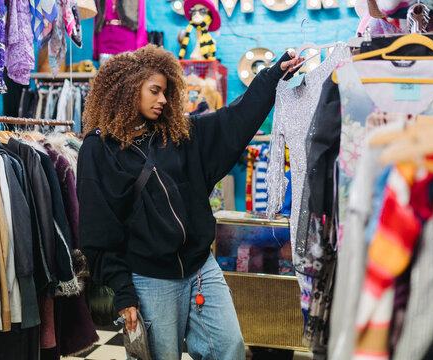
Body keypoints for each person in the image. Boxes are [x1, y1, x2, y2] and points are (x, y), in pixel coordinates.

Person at [77, 44, 303, 360]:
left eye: (166, 91)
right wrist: (124, 292)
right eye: (155, 91)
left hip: (200, 268)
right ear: (128, 90)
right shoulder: (99, 149)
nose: (163, 100)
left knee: (229, 348)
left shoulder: (178, 134)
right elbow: (97, 229)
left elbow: (234, 118)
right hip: (150, 278)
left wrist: (271, 76)